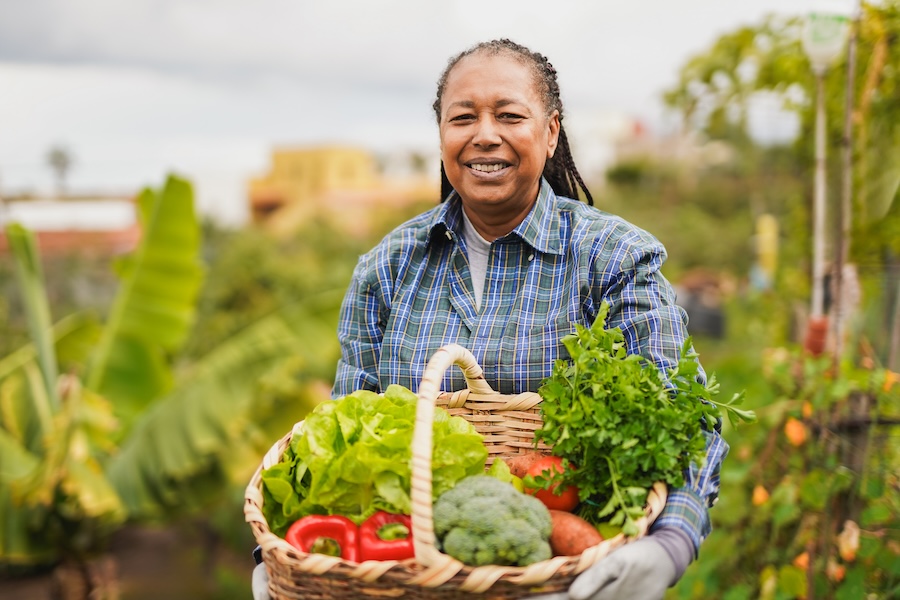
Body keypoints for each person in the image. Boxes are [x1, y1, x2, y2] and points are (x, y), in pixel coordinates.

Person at [253, 38, 728, 600]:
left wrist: (670, 541)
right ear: (442, 137)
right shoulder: (386, 268)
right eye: (462, 118)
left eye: (509, 115)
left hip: (569, 582)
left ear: (550, 133)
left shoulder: (615, 258)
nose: (484, 134)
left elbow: (684, 415)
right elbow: (343, 431)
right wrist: (278, 552)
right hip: (404, 575)